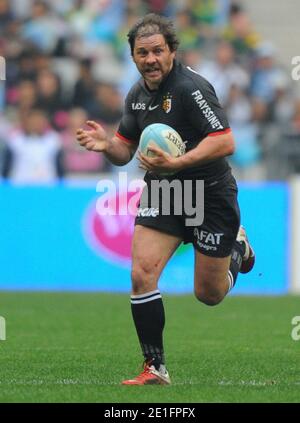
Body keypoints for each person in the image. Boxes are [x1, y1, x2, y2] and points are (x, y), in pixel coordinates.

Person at [76, 13, 255, 385]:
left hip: (210, 194)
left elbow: (225, 141)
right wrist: (107, 145)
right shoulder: (136, 95)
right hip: (166, 192)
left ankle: (237, 247)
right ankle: (154, 367)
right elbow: (125, 151)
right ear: (133, 57)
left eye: (158, 50)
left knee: (209, 294)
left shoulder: (192, 88)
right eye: (142, 53)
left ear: (172, 51)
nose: (150, 58)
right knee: (142, 273)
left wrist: (178, 161)